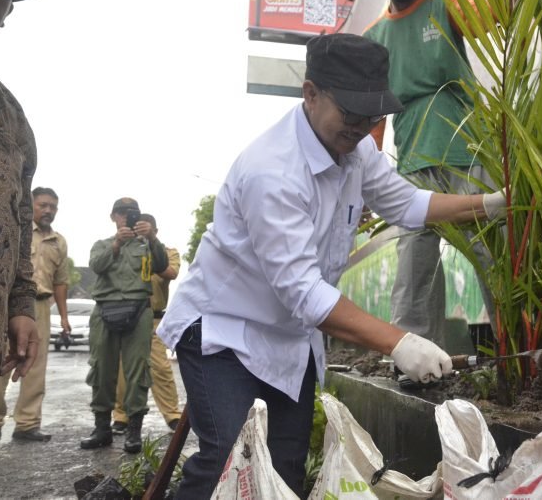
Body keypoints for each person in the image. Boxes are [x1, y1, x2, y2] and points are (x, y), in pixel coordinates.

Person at [156, 33, 506, 499]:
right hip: (225, 335)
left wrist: (491, 204)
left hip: (288, 341)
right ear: (311, 93)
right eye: (351, 111)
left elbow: (407, 204)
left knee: (282, 472)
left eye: (373, 115)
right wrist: (398, 342)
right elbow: (305, 292)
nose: (362, 126)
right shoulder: (273, 172)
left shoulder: (355, 149)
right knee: (229, 462)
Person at [363, 0, 496, 349]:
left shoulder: (444, 5)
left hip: (466, 150)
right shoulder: (374, 38)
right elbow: (372, 120)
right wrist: (365, 177)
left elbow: (491, 15)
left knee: (490, 253)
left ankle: (517, 348)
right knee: (413, 263)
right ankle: (414, 355)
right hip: (413, 160)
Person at [0, 0, 95, 431]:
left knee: (26, 375)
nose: (8, 7)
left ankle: (25, 424)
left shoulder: (8, 114)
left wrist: (17, 306)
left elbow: (14, 215)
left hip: (14, 310)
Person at [80, 198, 169, 453]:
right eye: (121, 213)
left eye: (131, 214)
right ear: (113, 217)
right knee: (101, 369)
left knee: (138, 370)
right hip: (105, 309)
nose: (126, 218)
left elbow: (162, 266)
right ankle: (102, 428)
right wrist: (117, 244)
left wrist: (152, 238)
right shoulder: (103, 244)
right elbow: (97, 265)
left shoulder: (147, 245)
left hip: (139, 309)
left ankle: (134, 431)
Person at [0, 187, 70, 442]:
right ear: (32, 205)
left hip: (40, 307)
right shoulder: (15, 231)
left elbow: (61, 282)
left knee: (36, 367)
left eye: (53, 207)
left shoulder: (58, 241)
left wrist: (64, 317)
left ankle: (27, 424)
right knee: (1, 360)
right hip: (9, 305)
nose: (48, 210)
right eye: (43, 205)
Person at [112, 214, 182, 434]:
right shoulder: (124, 250)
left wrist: (150, 243)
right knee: (124, 371)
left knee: (161, 369)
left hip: (154, 319)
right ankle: (121, 417)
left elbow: (171, 272)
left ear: (156, 231)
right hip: (128, 318)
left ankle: (172, 415)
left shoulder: (168, 251)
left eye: (147, 229)